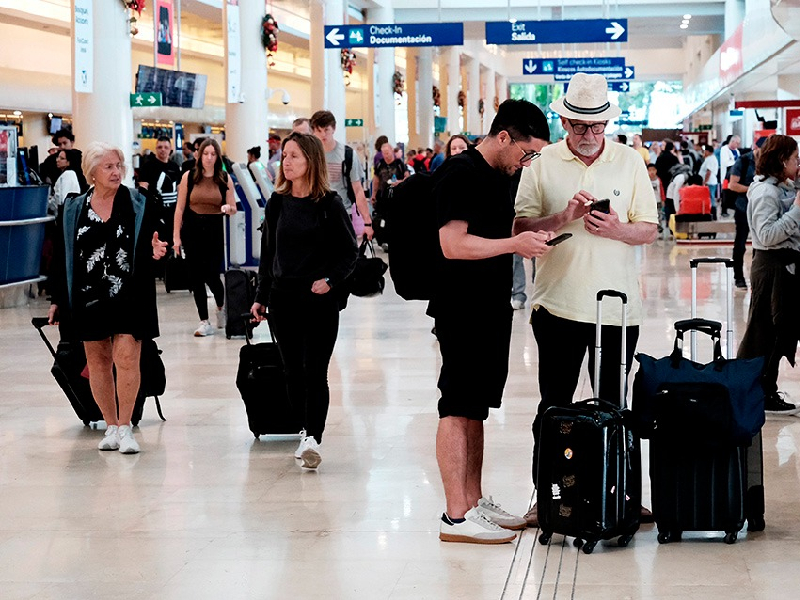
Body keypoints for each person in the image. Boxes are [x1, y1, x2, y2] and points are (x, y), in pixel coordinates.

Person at [513, 73, 659, 527]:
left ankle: (624, 496)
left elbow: (650, 230)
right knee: (552, 406)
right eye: (579, 127)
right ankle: (547, 498)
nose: (589, 136)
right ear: (563, 122)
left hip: (616, 310)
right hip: (557, 305)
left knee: (616, 407)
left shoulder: (630, 161)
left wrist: (617, 230)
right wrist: (564, 217)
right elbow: (519, 230)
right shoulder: (541, 162)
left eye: (597, 127)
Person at [432, 99, 553, 545]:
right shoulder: (459, 173)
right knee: (456, 404)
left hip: (489, 305)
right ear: (504, 137)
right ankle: (455, 516)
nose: (528, 161)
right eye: (527, 152)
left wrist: (559, 222)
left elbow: (507, 232)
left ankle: (475, 501)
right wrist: (512, 246)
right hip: (460, 306)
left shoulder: (499, 175)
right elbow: (453, 244)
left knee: (476, 407)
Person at [47, 141, 168, 453]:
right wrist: (58, 299)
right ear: (92, 173)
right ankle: (110, 425)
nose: (116, 172)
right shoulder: (73, 208)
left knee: (127, 357)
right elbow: (62, 257)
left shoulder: (139, 202)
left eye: (119, 166)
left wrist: (157, 253)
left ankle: (127, 426)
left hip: (130, 294)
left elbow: (158, 242)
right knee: (97, 361)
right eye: (109, 167)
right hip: (88, 297)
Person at [250, 133, 358, 468]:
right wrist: (260, 297)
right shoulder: (277, 203)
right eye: (285, 156)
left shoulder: (328, 204)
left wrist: (329, 281)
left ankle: (313, 436)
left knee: (316, 371)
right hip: (284, 298)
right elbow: (268, 254)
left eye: (295, 156)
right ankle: (303, 430)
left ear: (311, 160)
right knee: (292, 371)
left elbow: (349, 252)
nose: (288, 162)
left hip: (318, 300)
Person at [737, 135, 800, 415]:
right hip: (770, 267)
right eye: (795, 158)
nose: (798, 163)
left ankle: (765, 388)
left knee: (780, 331)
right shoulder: (765, 192)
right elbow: (765, 234)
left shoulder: (782, 187)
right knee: (764, 332)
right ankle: (759, 392)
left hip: (784, 266)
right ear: (782, 160)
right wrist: (797, 210)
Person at [173, 138, 238, 337]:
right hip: (192, 229)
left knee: (211, 274)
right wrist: (176, 236)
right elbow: (180, 208)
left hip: (214, 229)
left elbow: (233, 207)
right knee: (195, 277)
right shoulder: (189, 177)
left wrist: (228, 208)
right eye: (206, 154)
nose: (209, 158)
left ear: (218, 157)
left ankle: (220, 306)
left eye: (213, 154)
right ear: (199, 156)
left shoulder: (224, 178)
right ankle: (204, 320)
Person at [309, 111, 373, 241]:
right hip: (314, 214)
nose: (323, 135)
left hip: (342, 213)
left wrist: (367, 222)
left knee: (343, 258)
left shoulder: (347, 154)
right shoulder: (309, 155)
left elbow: (358, 190)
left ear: (334, 129)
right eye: (319, 130)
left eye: (326, 130)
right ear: (313, 131)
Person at [730, 137, 766, 289]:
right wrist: (753, 188)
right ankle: (738, 277)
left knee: (761, 245)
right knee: (740, 243)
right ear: (755, 148)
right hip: (743, 207)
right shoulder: (743, 161)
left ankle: (758, 279)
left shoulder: (768, 163)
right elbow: (733, 185)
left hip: (762, 208)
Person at [138, 136, 182, 244]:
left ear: (170, 149)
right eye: (160, 147)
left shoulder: (175, 167)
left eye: (166, 147)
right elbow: (143, 190)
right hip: (154, 214)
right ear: (156, 148)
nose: (163, 149)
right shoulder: (147, 166)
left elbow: (180, 189)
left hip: (172, 213)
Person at [48, 148, 87, 214]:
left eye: (62, 158)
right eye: (58, 157)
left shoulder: (68, 174)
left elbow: (61, 199)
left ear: (69, 162)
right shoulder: (71, 174)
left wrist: (48, 203)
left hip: (64, 213)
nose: (57, 160)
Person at [720, 135, 741, 216]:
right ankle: (724, 210)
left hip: (734, 175)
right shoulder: (724, 149)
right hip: (726, 175)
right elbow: (726, 162)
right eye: (737, 143)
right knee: (725, 193)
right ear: (732, 142)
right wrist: (737, 164)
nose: (738, 145)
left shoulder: (736, 151)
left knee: (734, 193)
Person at [699, 144, 720, 217]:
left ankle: (713, 214)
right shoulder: (709, 158)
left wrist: (705, 182)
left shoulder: (711, 159)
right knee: (710, 197)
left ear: (708, 151)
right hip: (709, 181)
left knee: (711, 198)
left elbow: (708, 172)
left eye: (704, 151)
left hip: (710, 182)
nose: (703, 153)